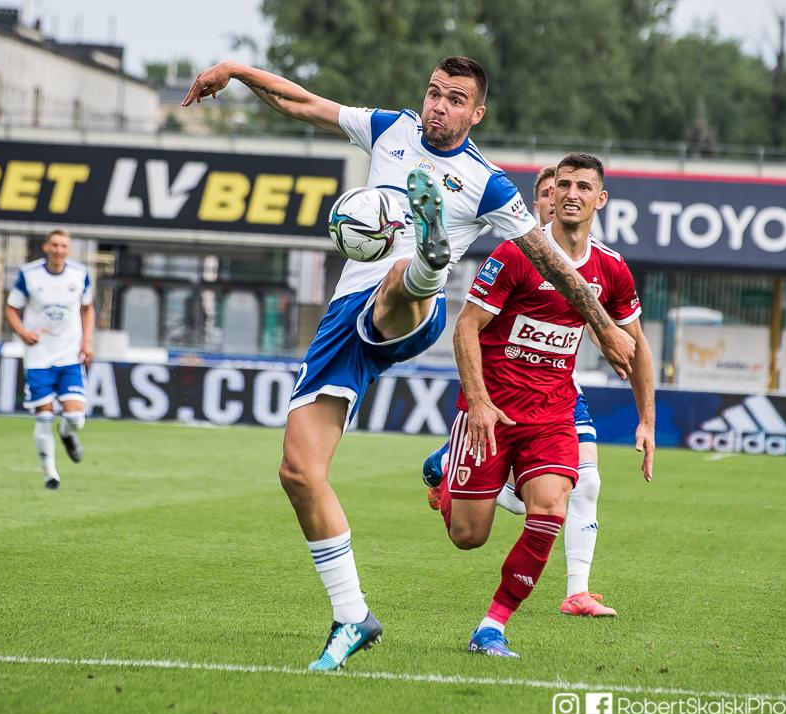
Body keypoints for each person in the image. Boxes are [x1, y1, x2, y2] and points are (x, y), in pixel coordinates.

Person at [183, 58, 636, 671]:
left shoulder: (488, 183)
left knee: (400, 277)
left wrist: (603, 325)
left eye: (455, 99)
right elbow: (302, 103)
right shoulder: (389, 129)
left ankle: (428, 257)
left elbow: (551, 259)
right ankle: (352, 617)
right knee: (298, 472)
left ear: (476, 114)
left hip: (412, 311)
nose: (438, 105)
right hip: (343, 324)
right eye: (434, 93)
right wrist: (235, 71)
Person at [430, 153, 654, 658]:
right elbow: (465, 327)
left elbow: (636, 345)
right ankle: (446, 473)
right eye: (564, 185)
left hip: (553, 414)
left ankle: (492, 626)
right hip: (492, 411)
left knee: (553, 507)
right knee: (468, 536)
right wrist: (478, 402)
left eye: (583, 187)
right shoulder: (515, 254)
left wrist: (646, 420)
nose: (571, 194)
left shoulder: (612, 269)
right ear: (551, 195)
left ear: (601, 199)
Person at [5, 229, 94, 491]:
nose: (58, 250)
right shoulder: (29, 274)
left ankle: (66, 433)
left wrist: (87, 341)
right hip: (39, 357)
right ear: (46, 247)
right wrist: (23, 333)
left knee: (75, 417)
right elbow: (11, 308)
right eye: (54, 245)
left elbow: (88, 308)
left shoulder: (80, 274)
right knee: (43, 416)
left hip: (69, 355)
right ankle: (51, 475)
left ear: (69, 249)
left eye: (63, 246)